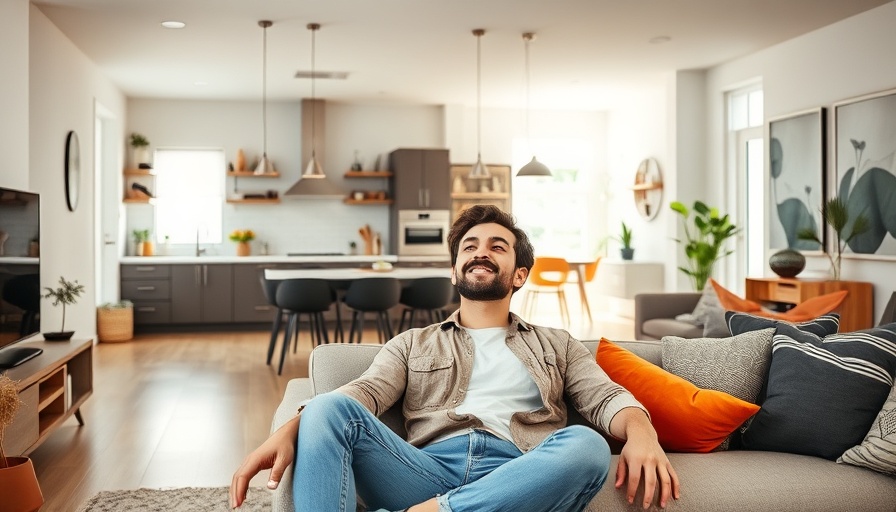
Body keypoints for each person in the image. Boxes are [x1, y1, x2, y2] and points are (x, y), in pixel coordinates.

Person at [231, 205, 680, 511]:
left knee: (587, 446)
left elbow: (605, 398)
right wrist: (296, 424)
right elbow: (364, 393)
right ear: (454, 269)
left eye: (497, 246)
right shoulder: (412, 342)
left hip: (516, 472)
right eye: (470, 246)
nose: (481, 251)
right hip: (422, 470)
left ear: (519, 274)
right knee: (327, 405)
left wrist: (643, 434)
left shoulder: (557, 343)